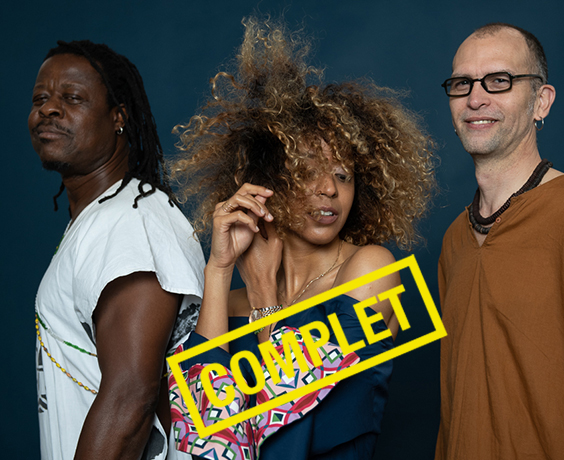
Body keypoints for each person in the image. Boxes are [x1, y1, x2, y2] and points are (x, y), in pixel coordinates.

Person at [167, 18, 435, 459]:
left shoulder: (370, 271)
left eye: (343, 175)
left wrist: (264, 298)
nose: (328, 189)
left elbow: (294, 423)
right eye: (307, 170)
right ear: (268, 181)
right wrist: (218, 270)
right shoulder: (228, 303)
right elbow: (203, 438)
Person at [30, 40, 205, 460]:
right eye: (40, 99)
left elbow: (131, 398)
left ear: (119, 117)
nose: (49, 109)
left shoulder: (130, 222)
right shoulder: (104, 217)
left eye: (72, 98)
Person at [436, 23, 563, 459]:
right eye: (462, 84)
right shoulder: (454, 240)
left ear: (541, 101)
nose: (475, 98)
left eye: (499, 80)